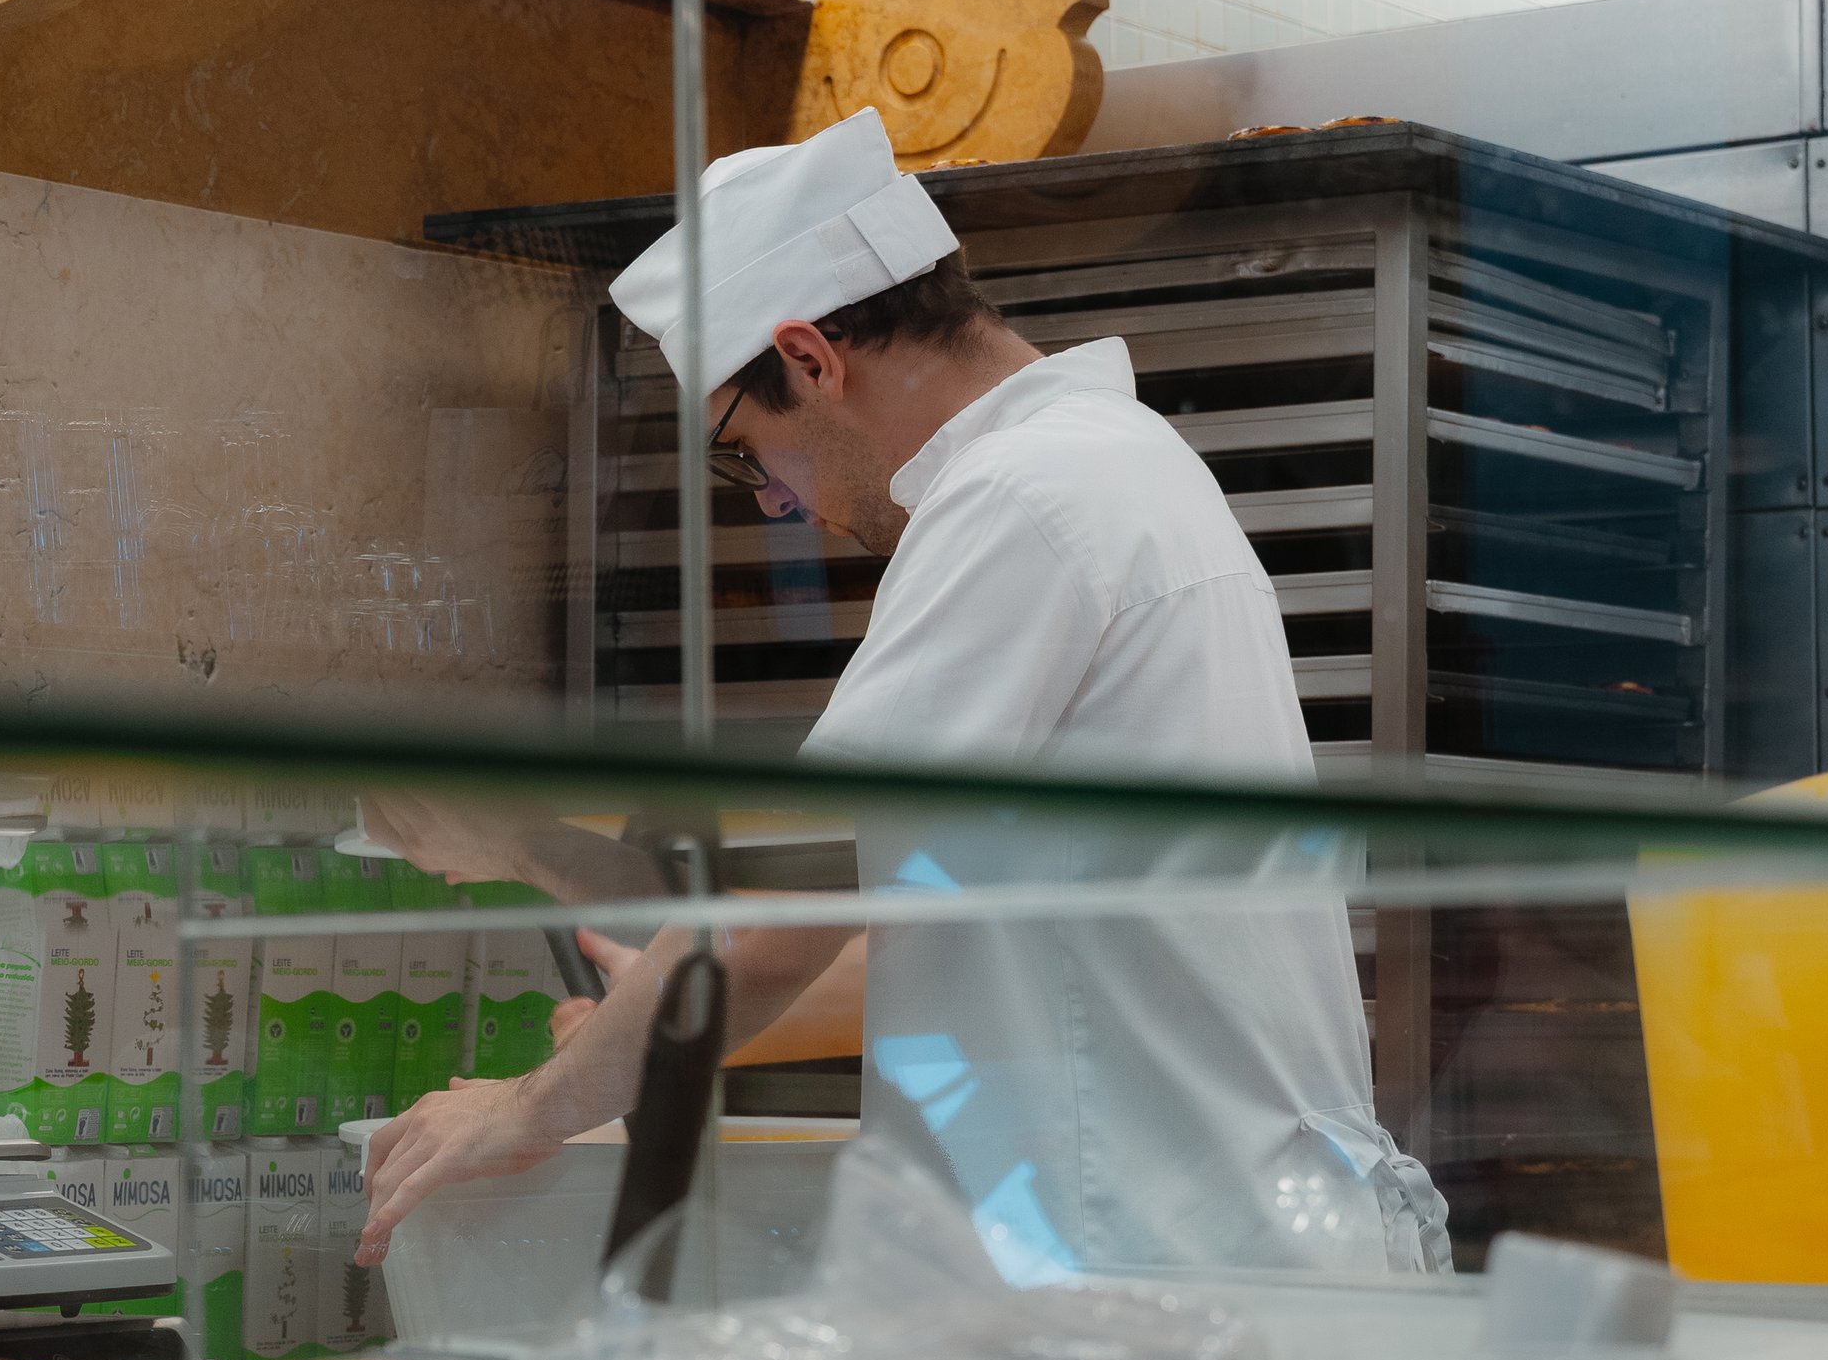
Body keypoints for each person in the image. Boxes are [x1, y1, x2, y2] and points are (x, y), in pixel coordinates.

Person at [359, 105, 1445, 1279]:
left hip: (1149, 1261)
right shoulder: (1111, 463)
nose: (769, 501)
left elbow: (782, 907)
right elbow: (978, 910)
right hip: (1198, 1235)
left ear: (811, 359)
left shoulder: (1020, 498)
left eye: (739, 448)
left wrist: (524, 1107)